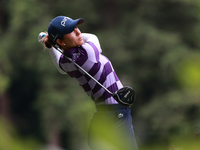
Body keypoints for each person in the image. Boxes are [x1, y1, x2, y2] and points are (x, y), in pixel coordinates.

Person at [39, 16, 139, 150]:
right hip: (116, 115)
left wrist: (52, 44)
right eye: (71, 31)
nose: (78, 32)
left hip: (104, 116)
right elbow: (93, 37)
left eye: (76, 28)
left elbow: (59, 65)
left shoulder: (66, 61)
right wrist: (52, 42)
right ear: (60, 41)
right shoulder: (87, 54)